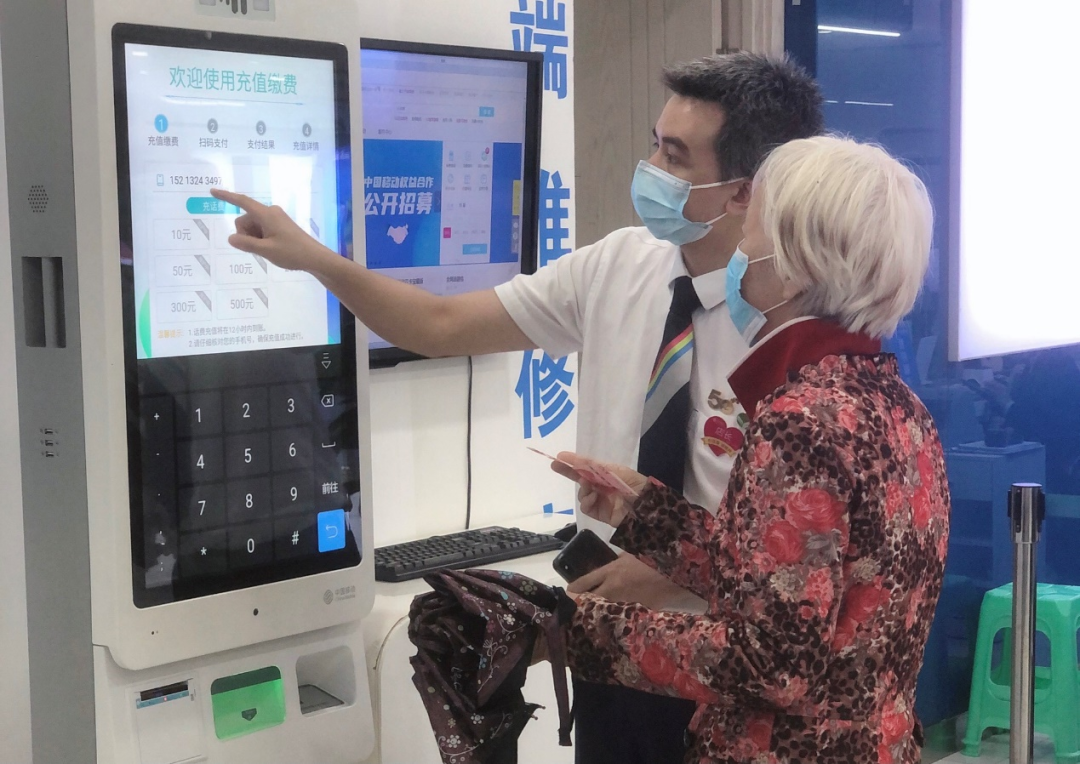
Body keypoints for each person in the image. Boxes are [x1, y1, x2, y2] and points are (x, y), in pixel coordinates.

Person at [211, 52, 823, 764]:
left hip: (722, 664)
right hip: (606, 638)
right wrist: (315, 258)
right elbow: (440, 325)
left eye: (675, 156)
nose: (651, 167)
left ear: (744, 192)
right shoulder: (619, 265)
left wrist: (675, 573)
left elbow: (810, 555)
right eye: (655, 143)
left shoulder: (795, 321)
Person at [550, 135, 950, 764]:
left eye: (751, 232)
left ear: (796, 264)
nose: (740, 251)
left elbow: (772, 662)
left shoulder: (800, 423)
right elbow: (796, 584)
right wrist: (645, 512)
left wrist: (572, 628)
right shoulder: (898, 407)